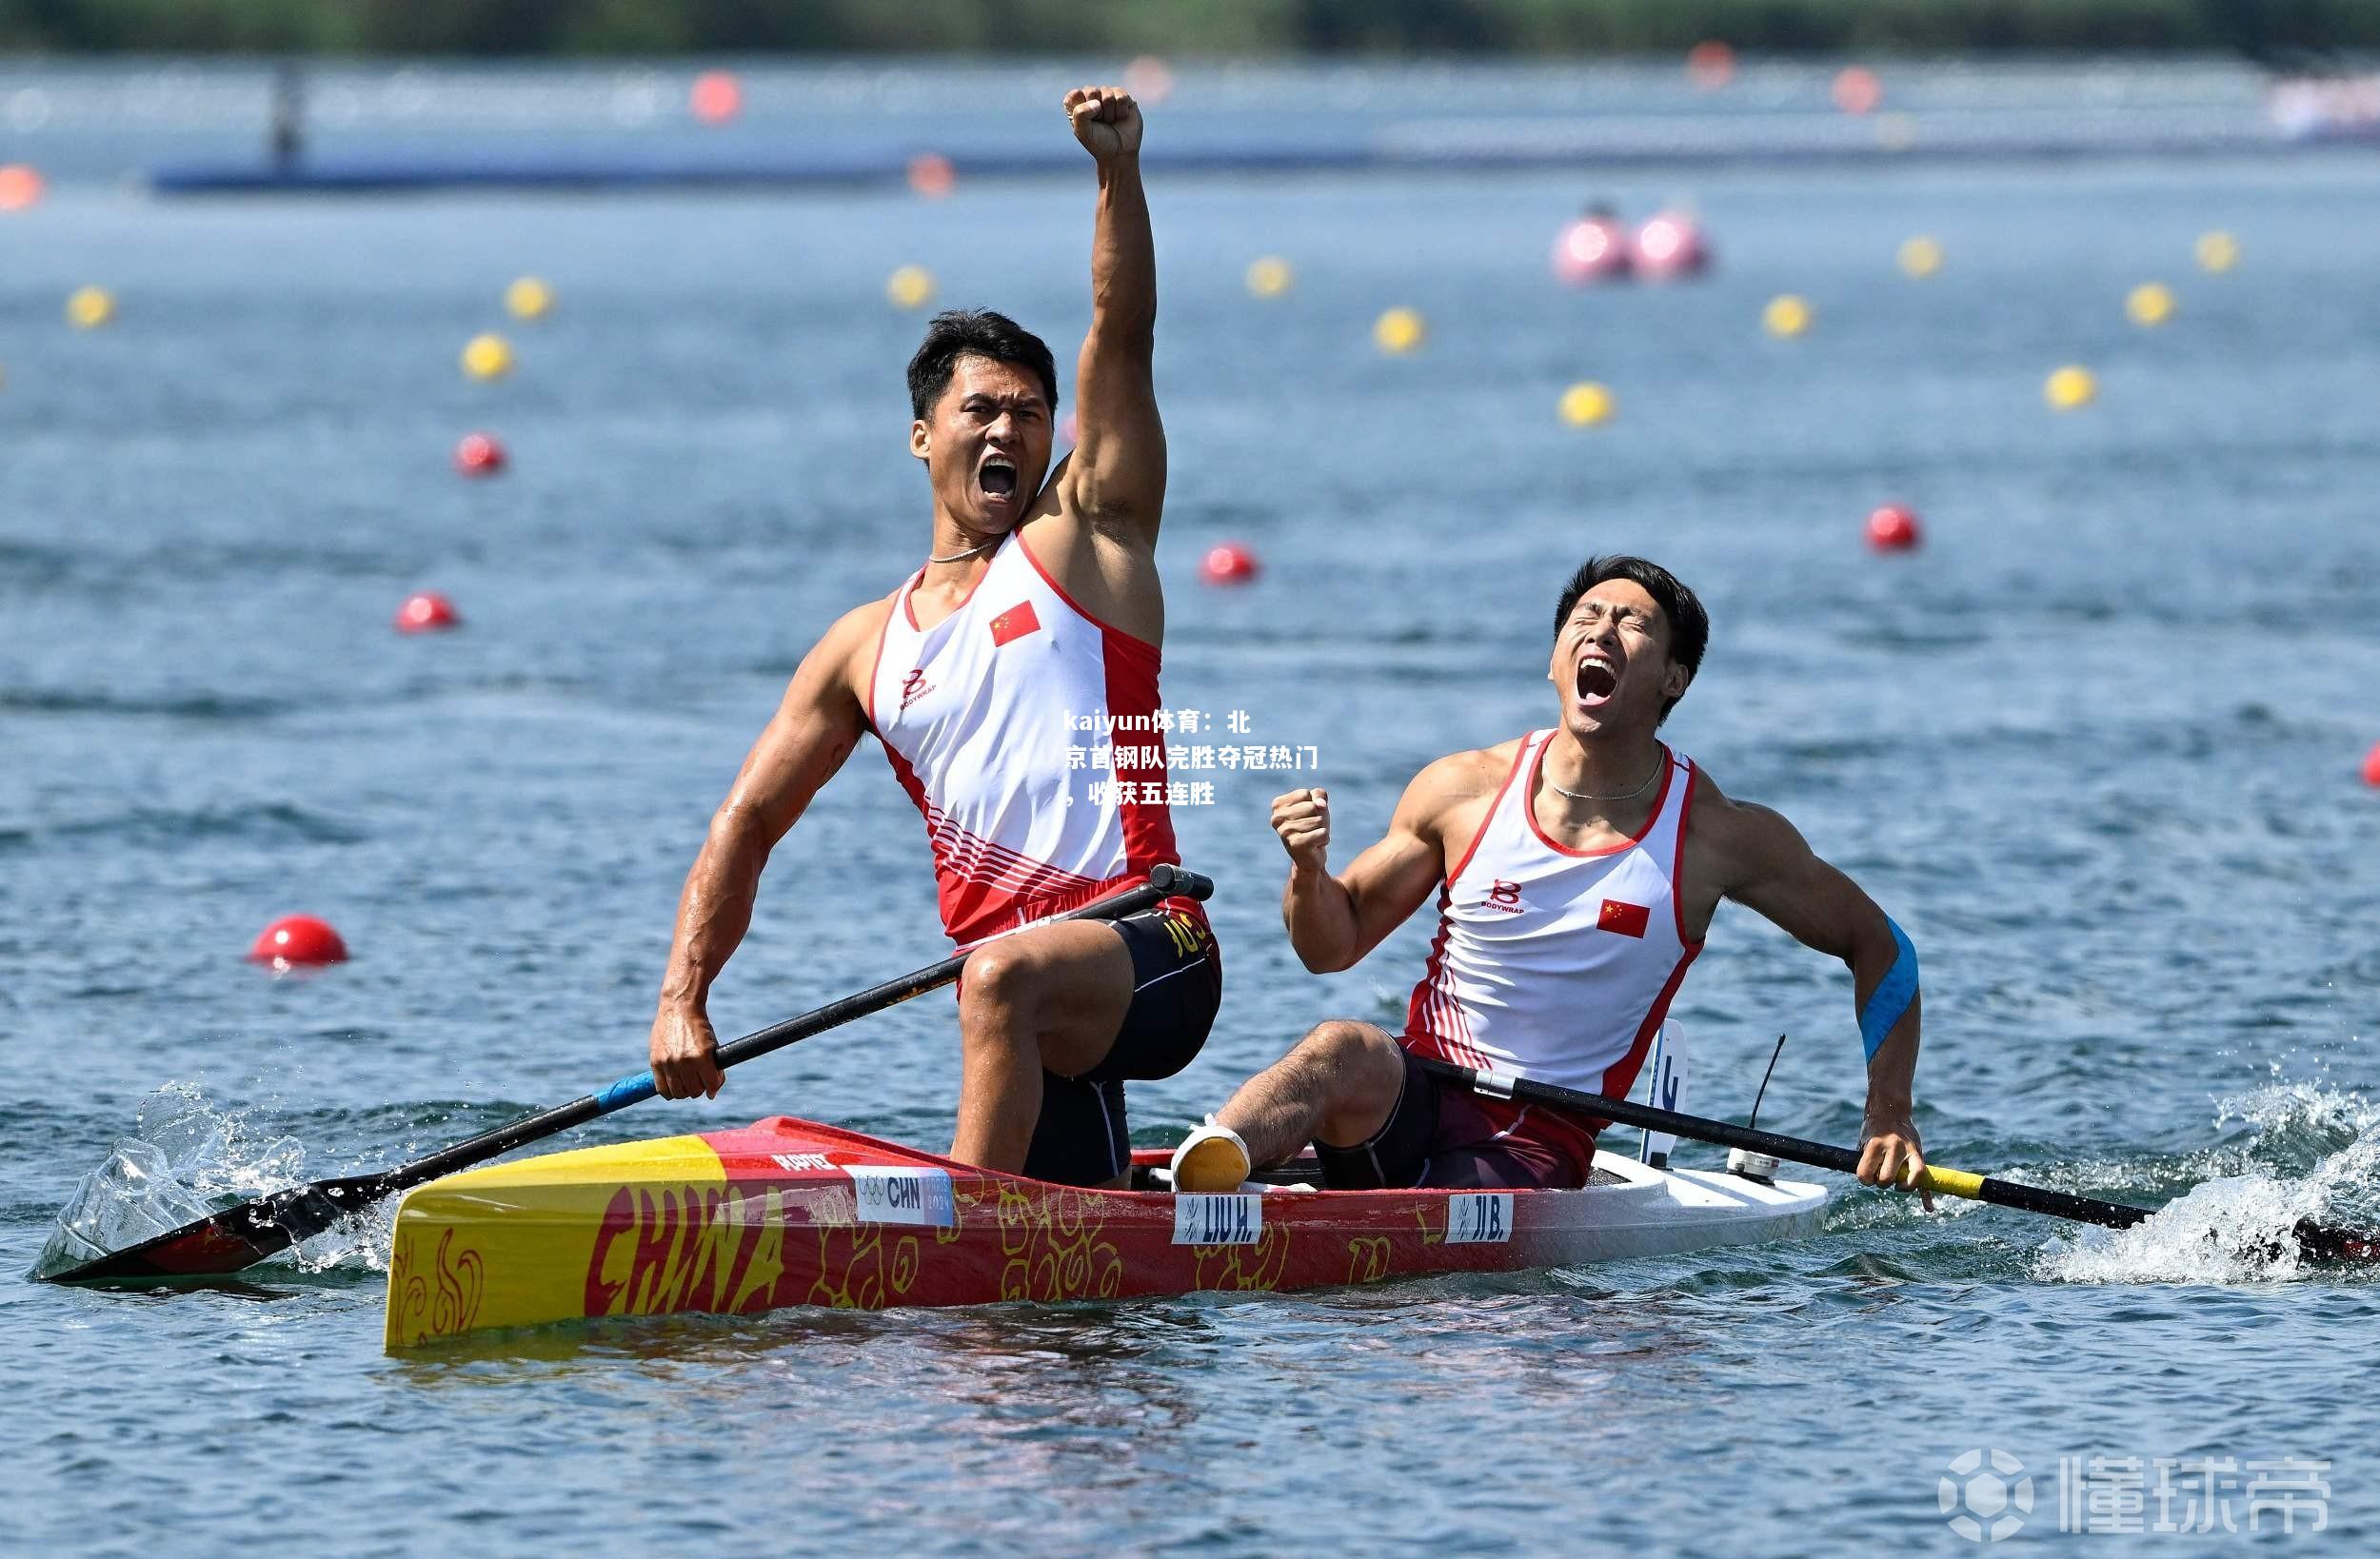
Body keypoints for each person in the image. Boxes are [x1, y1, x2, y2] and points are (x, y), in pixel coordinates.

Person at [645, 84, 1218, 1188]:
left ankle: (960, 1247)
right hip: (1022, 997)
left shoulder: (1084, 540)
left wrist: (1116, 170)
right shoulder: (865, 645)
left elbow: (1125, 336)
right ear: (922, 437)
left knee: (996, 981)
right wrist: (683, 1001)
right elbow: (748, 819)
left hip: (1155, 948)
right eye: (982, 411)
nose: (1011, 428)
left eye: (1030, 412)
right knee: (1057, 1321)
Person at [1170, 556, 1925, 1197]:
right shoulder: (1462, 789)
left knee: (1460, 1337)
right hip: (1417, 1094)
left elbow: (1879, 944)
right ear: (1557, 659)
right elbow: (1328, 947)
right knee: (1342, 1045)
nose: (1601, 629)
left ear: (1674, 677)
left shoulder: (1715, 835)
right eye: (1586, 617)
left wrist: (1887, 1111)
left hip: (1539, 1140)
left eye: (1633, 623)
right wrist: (1308, 873)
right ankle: (1204, 1169)